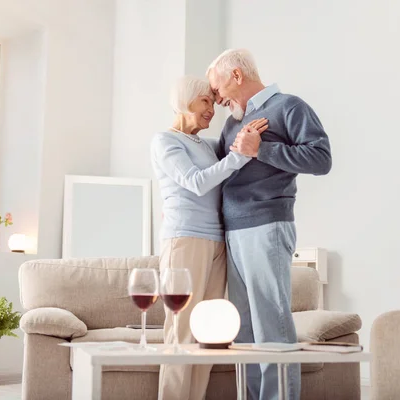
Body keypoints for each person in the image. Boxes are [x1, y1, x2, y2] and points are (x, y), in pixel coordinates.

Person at [207, 49, 332, 400]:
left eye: (217, 90)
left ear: (235, 76)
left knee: (271, 324)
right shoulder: (232, 122)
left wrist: (262, 150)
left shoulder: (289, 107)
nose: (217, 100)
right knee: (244, 329)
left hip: (266, 224)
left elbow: (321, 159)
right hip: (233, 229)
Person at [150, 75, 268, 400]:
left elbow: (226, 173)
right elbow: (197, 182)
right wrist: (238, 156)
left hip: (217, 242)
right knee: (182, 331)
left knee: (207, 333)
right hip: (184, 240)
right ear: (186, 101)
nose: (211, 110)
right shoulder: (165, 141)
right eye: (205, 101)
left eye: (213, 104)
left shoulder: (206, 144)